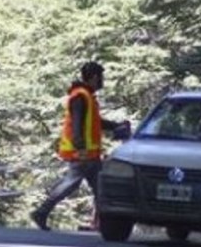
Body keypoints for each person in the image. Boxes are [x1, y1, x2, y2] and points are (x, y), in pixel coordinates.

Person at [31, 61, 129, 231]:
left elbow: (95, 123)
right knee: (72, 183)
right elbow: (77, 125)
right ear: (94, 77)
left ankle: (99, 223)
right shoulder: (80, 97)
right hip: (83, 153)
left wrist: (115, 125)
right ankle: (42, 211)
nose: (102, 81)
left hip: (90, 154)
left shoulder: (87, 96)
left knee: (98, 187)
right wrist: (80, 147)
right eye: (101, 77)